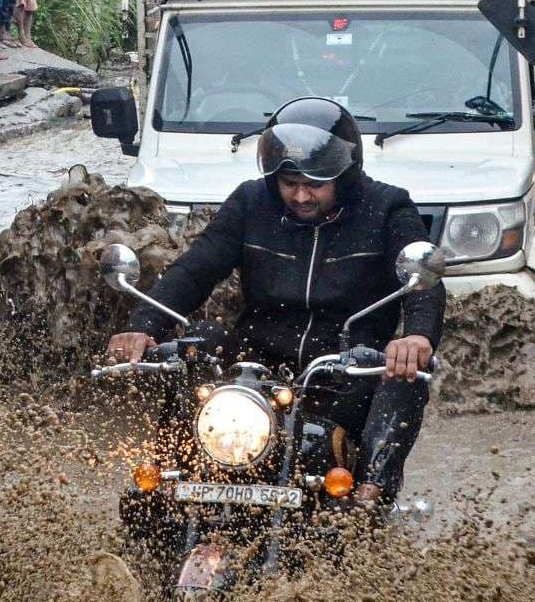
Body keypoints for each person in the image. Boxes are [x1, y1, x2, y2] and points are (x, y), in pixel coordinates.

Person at [104, 98, 443, 504]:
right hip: (258, 365)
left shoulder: (387, 207)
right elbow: (195, 269)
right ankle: (167, 477)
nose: (300, 196)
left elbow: (422, 281)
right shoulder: (251, 202)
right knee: (198, 339)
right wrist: (143, 326)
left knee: (403, 370)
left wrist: (417, 337)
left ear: (345, 176)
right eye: (289, 183)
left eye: (314, 184)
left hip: (344, 368)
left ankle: (372, 492)